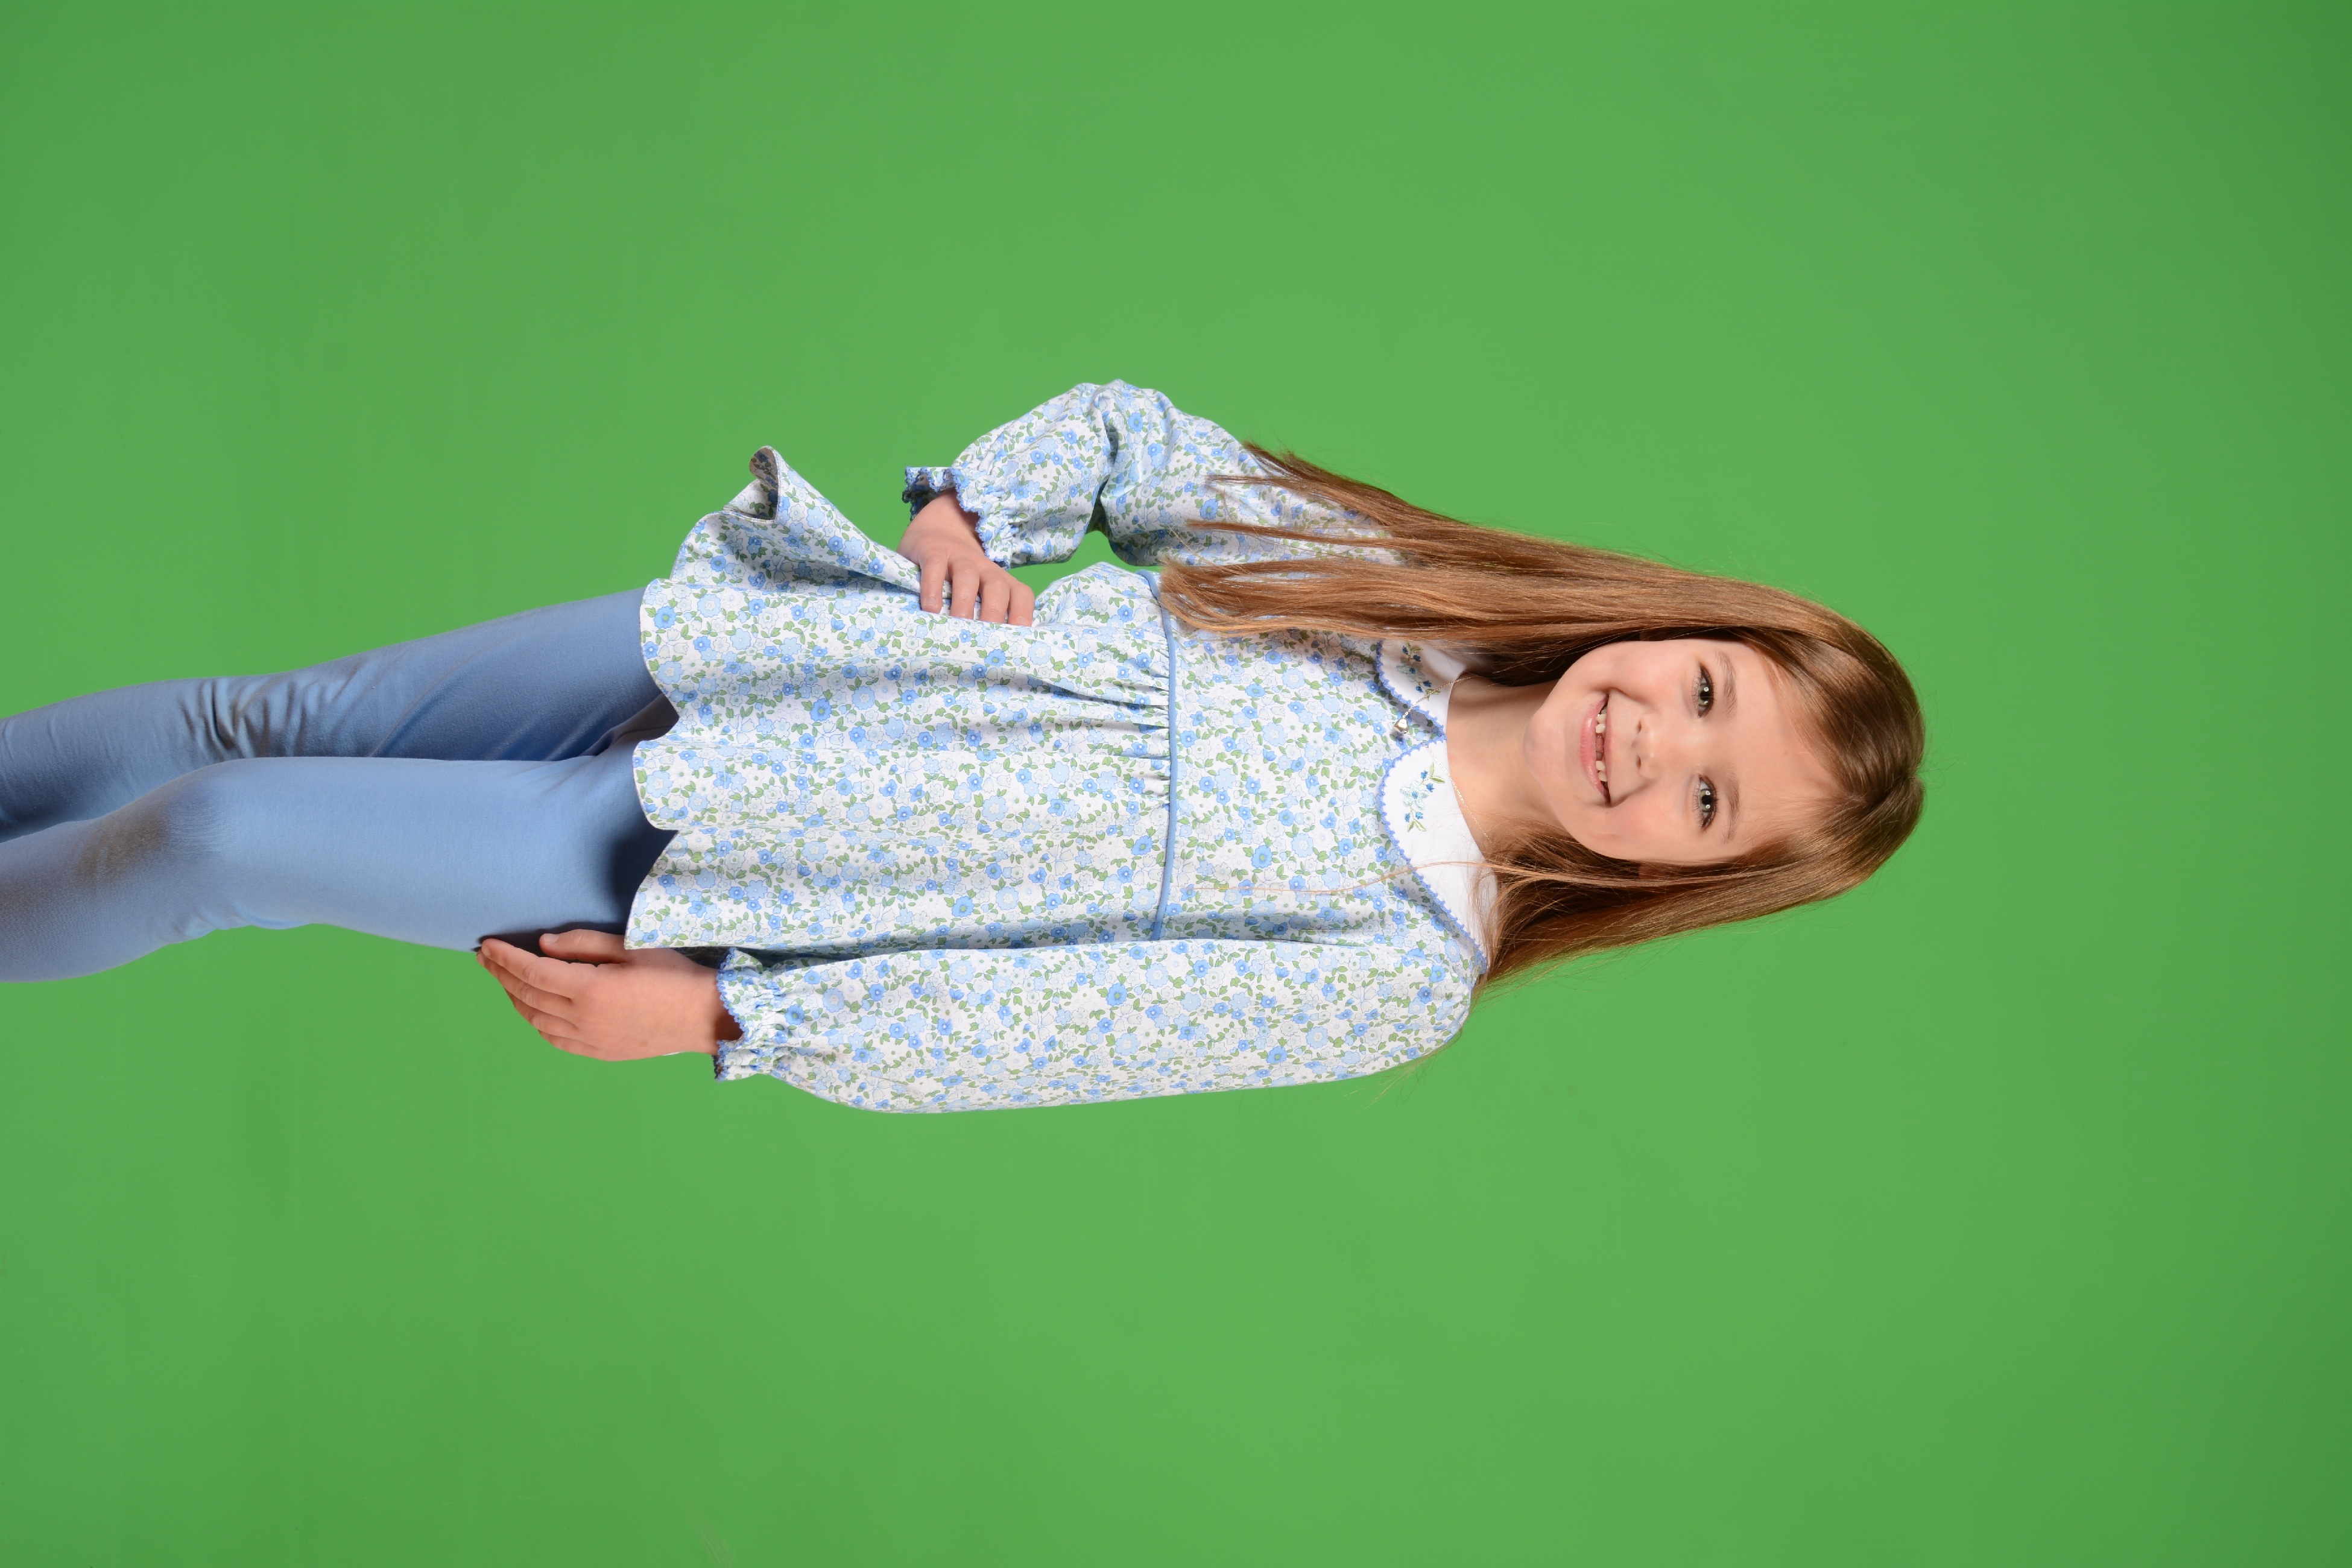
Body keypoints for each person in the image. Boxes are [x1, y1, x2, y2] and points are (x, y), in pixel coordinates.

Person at [0, 383, 1924, 1111]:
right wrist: (966, 516)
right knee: (274, 719)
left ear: (1682, 877)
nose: (1653, 744)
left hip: (708, 857)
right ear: (1671, 622)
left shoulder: (1398, 964)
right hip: (762, 647)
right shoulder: (1391, 595)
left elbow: (1049, 1032)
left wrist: (737, 1016)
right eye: (1702, 688)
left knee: (223, 834)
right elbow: (1137, 440)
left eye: (1707, 804)